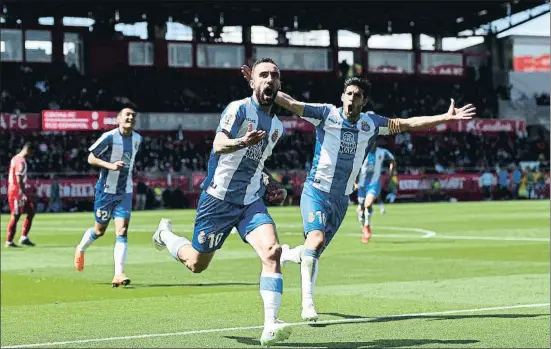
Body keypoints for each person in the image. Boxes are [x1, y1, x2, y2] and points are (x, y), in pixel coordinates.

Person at [240, 65, 476, 322]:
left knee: (312, 251)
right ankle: (307, 304)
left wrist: (445, 117)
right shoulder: (325, 114)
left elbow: (408, 124)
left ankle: (287, 254)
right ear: (342, 96)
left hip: (341, 199)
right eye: (349, 93)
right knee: (316, 240)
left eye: (358, 96)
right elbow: (292, 103)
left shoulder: (371, 124)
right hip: (316, 191)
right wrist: (259, 83)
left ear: (364, 101)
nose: (352, 98)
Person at [151, 58, 292, 346]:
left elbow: (257, 164)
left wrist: (272, 183)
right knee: (196, 263)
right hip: (217, 200)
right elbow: (218, 144)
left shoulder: (277, 127)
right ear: (252, 81)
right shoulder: (238, 108)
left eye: (274, 76)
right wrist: (243, 141)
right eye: (263, 74)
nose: (269, 79)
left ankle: (270, 324)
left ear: (279, 84)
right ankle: (165, 234)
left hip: (250, 202)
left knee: (272, 251)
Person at [73, 105, 143, 288]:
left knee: (122, 231)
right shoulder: (110, 137)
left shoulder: (137, 139)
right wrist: (110, 166)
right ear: (119, 118)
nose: (130, 118)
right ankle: (80, 248)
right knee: (99, 231)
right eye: (127, 115)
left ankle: (118, 273)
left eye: (133, 116)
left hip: (124, 192)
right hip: (105, 191)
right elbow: (91, 158)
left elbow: (130, 160)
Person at [356, 145, 396, 243]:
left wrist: (391, 174)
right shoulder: (361, 151)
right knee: (361, 208)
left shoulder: (382, 152)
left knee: (368, 204)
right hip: (362, 184)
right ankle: (363, 228)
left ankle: (367, 226)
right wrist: (354, 182)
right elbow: (352, 166)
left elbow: (393, 161)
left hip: (374, 184)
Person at [5, 142, 35, 248]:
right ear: (28, 150)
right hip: (16, 191)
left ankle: (23, 237)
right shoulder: (21, 161)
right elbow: (19, 178)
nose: (31, 155)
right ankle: (9, 241)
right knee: (16, 214)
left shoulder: (15, 158)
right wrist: (23, 192)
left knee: (31, 211)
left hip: (17, 190)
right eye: (31, 152)